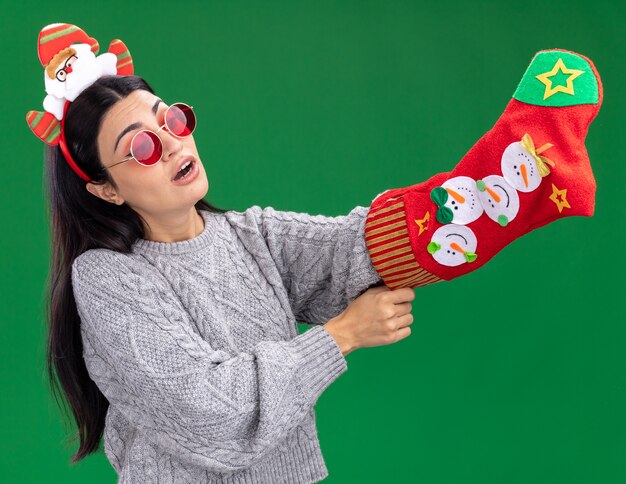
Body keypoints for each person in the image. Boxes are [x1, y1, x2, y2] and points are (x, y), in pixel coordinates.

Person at [30, 24, 415, 483]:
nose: (173, 142)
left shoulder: (251, 234)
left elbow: (361, 243)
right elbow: (209, 415)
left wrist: (500, 182)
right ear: (105, 189)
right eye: (141, 146)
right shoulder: (106, 278)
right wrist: (340, 336)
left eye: (169, 120)